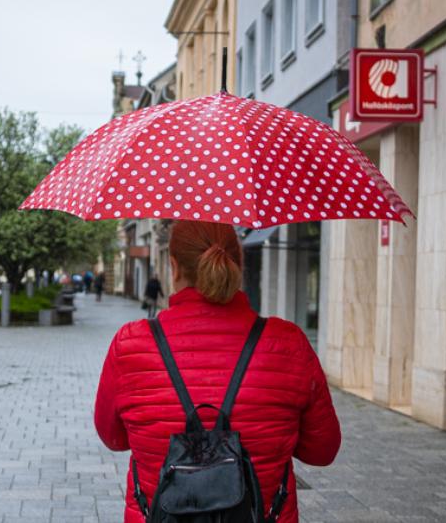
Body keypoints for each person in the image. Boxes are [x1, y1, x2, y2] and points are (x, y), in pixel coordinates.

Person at [94, 221, 340, 523]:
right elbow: (322, 451)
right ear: (239, 262)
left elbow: (113, 438)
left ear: (173, 267)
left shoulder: (130, 344)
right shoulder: (289, 343)